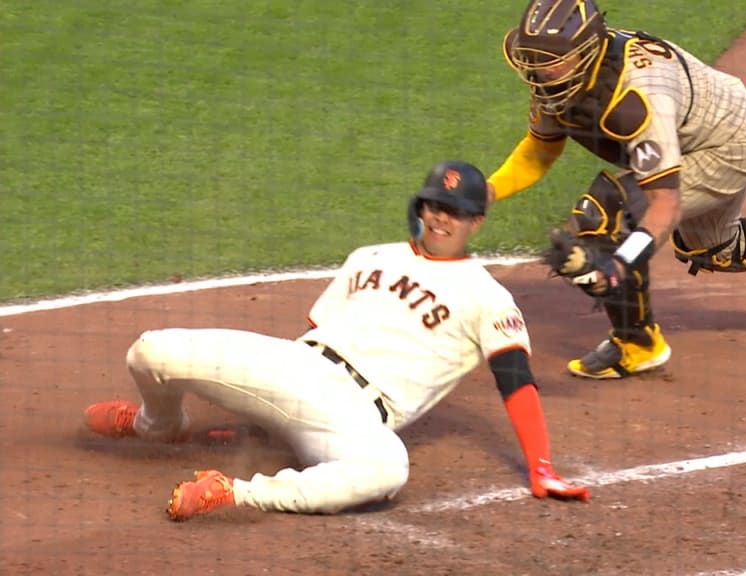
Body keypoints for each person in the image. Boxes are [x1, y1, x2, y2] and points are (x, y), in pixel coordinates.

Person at [82, 160, 590, 521]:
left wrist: (541, 467)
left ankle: (237, 493)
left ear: (476, 221)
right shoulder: (368, 255)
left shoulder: (488, 295)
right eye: (434, 205)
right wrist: (261, 417)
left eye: (453, 211)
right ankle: (158, 426)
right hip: (296, 364)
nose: (440, 217)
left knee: (387, 470)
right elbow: (313, 332)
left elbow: (517, 380)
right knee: (151, 349)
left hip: (357, 416)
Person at [486, 0, 746, 379]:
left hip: (728, 144)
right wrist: (486, 193)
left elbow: (664, 206)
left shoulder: (635, 97)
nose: (537, 69)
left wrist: (619, 263)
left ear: (582, 55)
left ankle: (638, 345)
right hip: (709, 128)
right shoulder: (562, 82)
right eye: (533, 58)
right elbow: (539, 151)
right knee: (715, 250)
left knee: (604, 214)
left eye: (550, 61)